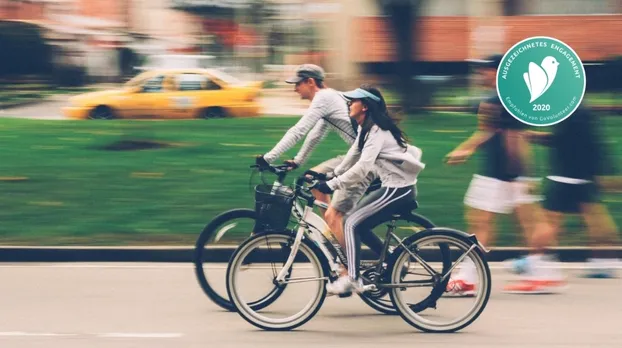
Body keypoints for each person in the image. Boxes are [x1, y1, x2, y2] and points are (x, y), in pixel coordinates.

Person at [255, 64, 384, 258]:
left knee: (337, 216)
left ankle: (348, 268)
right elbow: (316, 134)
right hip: (358, 155)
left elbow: (299, 130)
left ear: (310, 82)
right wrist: (298, 161)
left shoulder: (324, 98)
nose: (295, 89)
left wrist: (268, 157)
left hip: (368, 161)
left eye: (297, 84)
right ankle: (332, 236)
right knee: (312, 179)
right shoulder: (329, 98)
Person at [444, 54, 544, 296]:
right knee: (491, 222)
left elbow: (515, 138)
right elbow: (489, 133)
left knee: (487, 221)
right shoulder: (504, 99)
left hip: (503, 174)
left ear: (498, 72)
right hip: (504, 174)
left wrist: (522, 175)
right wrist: (466, 149)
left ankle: (539, 273)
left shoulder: (503, 100)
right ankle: (540, 272)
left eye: (486, 70)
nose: (481, 74)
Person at [312, 85, 425, 295]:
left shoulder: (377, 131)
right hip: (392, 188)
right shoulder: (366, 129)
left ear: (364, 106)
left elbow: (363, 168)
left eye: (353, 101)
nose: (349, 104)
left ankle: (352, 279)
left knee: (350, 222)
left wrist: (332, 185)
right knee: (359, 226)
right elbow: (351, 158)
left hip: (398, 191)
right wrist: (330, 175)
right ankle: (392, 260)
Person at [504, 105, 621, 292]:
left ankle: (540, 271)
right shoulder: (581, 111)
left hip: (565, 176)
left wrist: (534, 136)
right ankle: (604, 261)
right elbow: (589, 142)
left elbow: (565, 141)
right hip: (581, 176)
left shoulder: (571, 111)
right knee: (595, 218)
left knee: (546, 223)